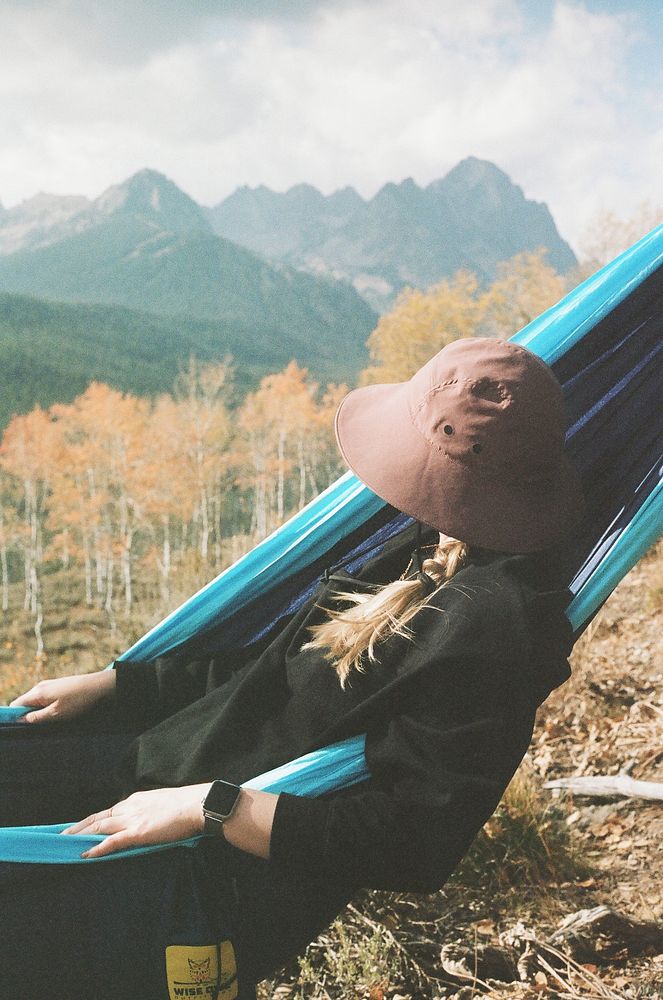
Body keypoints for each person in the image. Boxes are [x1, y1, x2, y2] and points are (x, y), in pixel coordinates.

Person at [3, 338, 584, 999]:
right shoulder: (426, 543)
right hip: (153, 771)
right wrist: (119, 685)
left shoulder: (495, 623)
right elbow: (273, 672)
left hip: (193, 867)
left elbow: (418, 835)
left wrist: (215, 807)